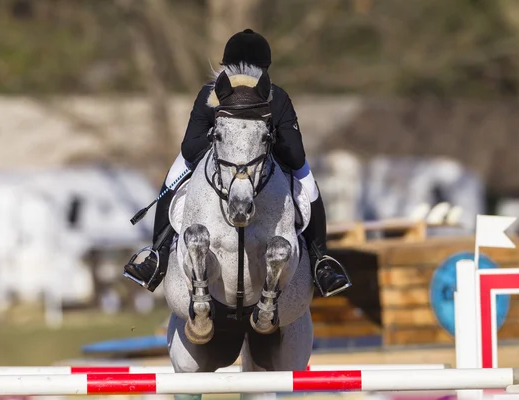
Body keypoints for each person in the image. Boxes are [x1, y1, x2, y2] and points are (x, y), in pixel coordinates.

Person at [124, 29, 351, 298]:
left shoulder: (277, 99)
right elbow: (189, 146)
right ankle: (157, 256)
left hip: (263, 163)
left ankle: (319, 262)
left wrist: (266, 139)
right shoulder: (210, 95)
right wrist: (220, 138)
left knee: (308, 184)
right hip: (218, 160)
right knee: (173, 177)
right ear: (265, 67)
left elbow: (296, 155)